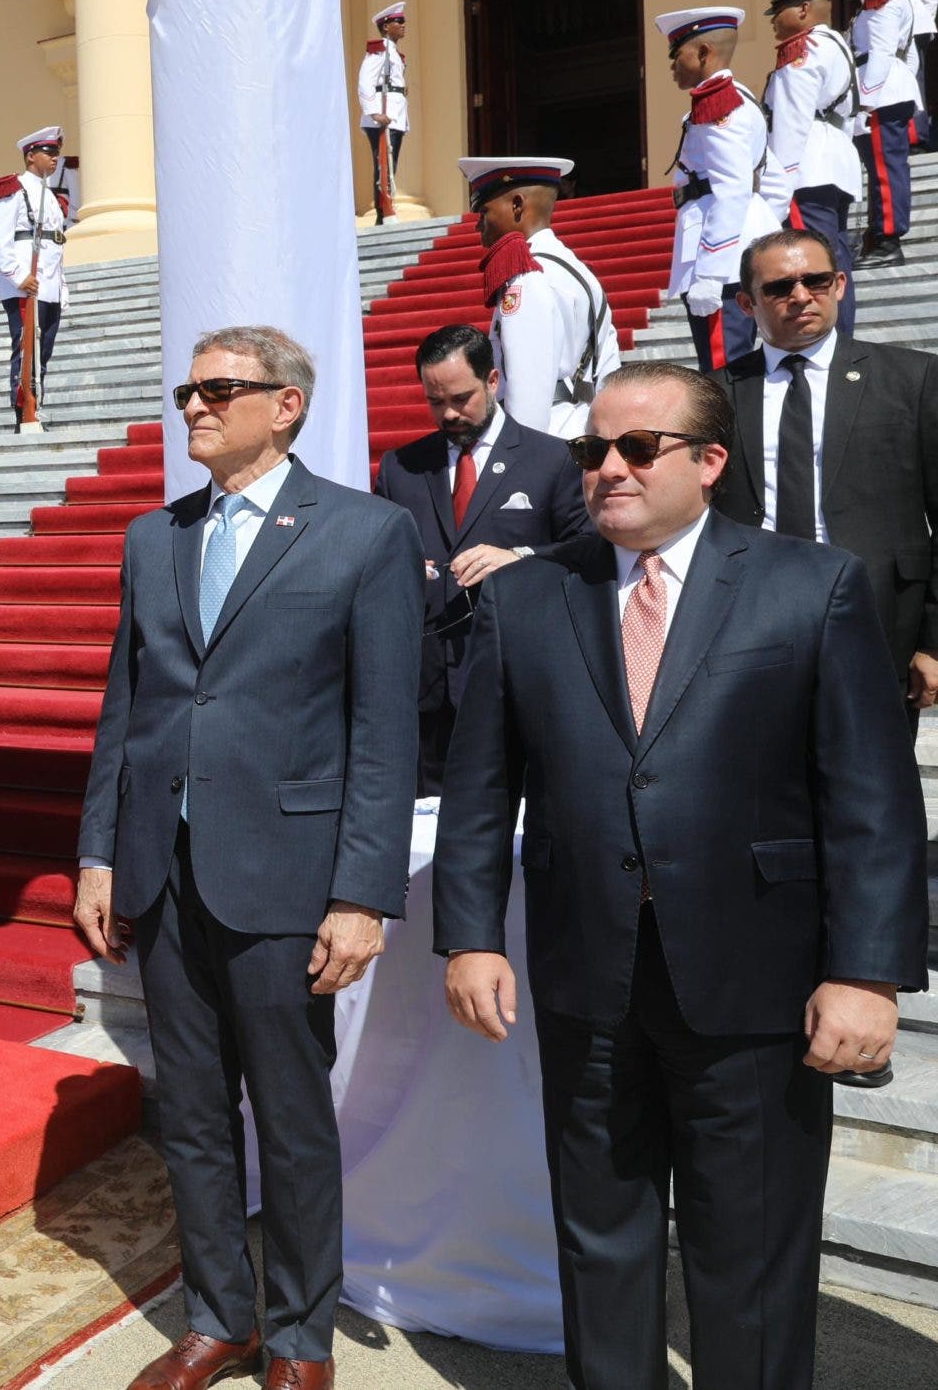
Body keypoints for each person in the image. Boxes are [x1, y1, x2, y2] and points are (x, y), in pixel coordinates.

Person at [435, 360, 928, 1390]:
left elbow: (871, 799)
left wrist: (867, 972)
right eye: (589, 452)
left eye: (634, 449)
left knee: (746, 1250)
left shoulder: (809, 584)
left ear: (707, 461)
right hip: (587, 980)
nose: (604, 469)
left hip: (756, 981)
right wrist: (472, 934)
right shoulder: (528, 596)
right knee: (600, 1238)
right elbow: (481, 788)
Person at [72, 326, 420, 1390]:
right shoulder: (153, 537)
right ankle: (218, 1317)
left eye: (218, 390)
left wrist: (361, 892)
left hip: (286, 875)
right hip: (163, 872)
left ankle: (303, 1337)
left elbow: (383, 730)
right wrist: (96, 853)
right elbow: (123, 710)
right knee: (189, 1110)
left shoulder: (365, 534)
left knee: (290, 1113)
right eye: (186, 391)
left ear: (287, 406)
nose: (193, 408)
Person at [711, 227, 938, 699]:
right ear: (747, 304)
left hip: (877, 616)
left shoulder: (911, 379)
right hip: (746, 620)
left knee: (876, 771)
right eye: (778, 287)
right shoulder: (711, 394)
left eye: (815, 281)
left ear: (838, 285)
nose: (800, 296)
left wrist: (933, 643)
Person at [375, 324, 590, 794]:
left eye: (460, 398)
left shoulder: (551, 459)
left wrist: (521, 557)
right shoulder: (400, 467)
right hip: (429, 691)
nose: (449, 413)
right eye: (435, 402)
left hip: (519, 677)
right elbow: (379, 553)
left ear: (492, 381)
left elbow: (591, 548)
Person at [456, 156, 618, 437]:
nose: (477, 226)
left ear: (517, 205)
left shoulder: (528, 276)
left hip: (545, 443)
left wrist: (517, 463)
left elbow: (526, 393)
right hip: (582, 434)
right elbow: (609, 373)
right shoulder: (579, 272)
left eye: (484, 212)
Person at [657, 7, 775, 369]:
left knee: (725, 371)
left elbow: (732, 189)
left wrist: (709, 273)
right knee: (726, 369)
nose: (673, 65)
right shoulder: (731, 98)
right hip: (729, 250)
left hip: (722, 262)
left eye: (679, 55)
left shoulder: (719, 105)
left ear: (704, 52)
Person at [755, 0, 862, 331]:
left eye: (779, 11)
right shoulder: (835, 43)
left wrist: (776, 191)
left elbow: (790, 124)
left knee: (814, 266)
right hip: (832, 157)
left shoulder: (800, 51)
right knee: (834, 257)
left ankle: (832, 340)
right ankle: (841, 338)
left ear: (803, 9)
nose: (774, 22)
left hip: (806, 166)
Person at [842, 0, 922, 268]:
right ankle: (880, 235)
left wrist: (865, 105)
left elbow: (881, 55)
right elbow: (907, 54)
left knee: (885, 171)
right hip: (887, 92)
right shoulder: (875, 2)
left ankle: (888, 239)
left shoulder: (882, 1)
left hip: (879, 97)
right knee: (880, 170)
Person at [0, 130, 76, 425]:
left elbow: (55, 247)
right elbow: (0, 240)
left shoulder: (50, 197)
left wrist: (61, 286)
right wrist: (18, 277)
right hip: (25, 286)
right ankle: (23, 412)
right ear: (30, 156)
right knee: (27, 350)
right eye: (48, 153)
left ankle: (36, 408)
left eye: (56, 153)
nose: (54, 158)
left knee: (44, 352)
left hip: (48, 286)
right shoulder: (15, 190)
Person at [357, 0, 408, 223]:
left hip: (395, 116)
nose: (403, 25)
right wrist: (374, 112)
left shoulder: (395, 53)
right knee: (383, 165)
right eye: (399, 21)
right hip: (382, 117)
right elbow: (365, 81)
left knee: (389, 164)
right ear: (386, 26)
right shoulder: (380, 51)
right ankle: (383, 213)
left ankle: (385, 211)